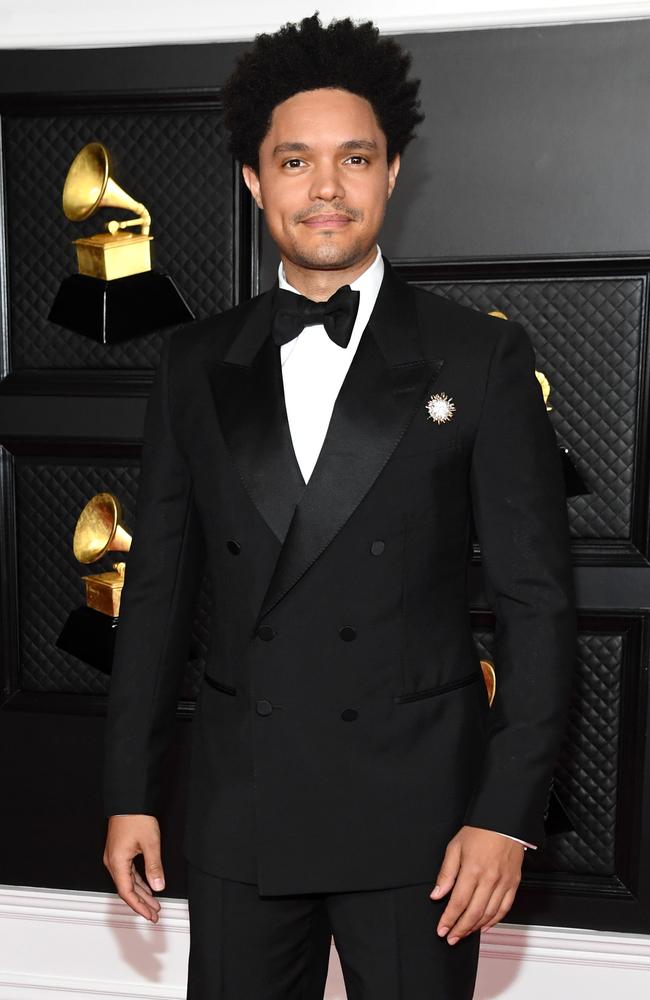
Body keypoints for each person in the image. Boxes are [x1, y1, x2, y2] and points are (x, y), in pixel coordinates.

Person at [102, 13, 576, 999]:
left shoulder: (477, 357)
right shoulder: (193, 362)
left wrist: (505, 812)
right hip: (242, 806)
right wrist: (128, 792)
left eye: (353, 158)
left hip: (423, 823)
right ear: (252, 178)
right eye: (294, 161)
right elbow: (155, 592)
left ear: (392, 171)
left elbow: (534, 601)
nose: (325, 189)